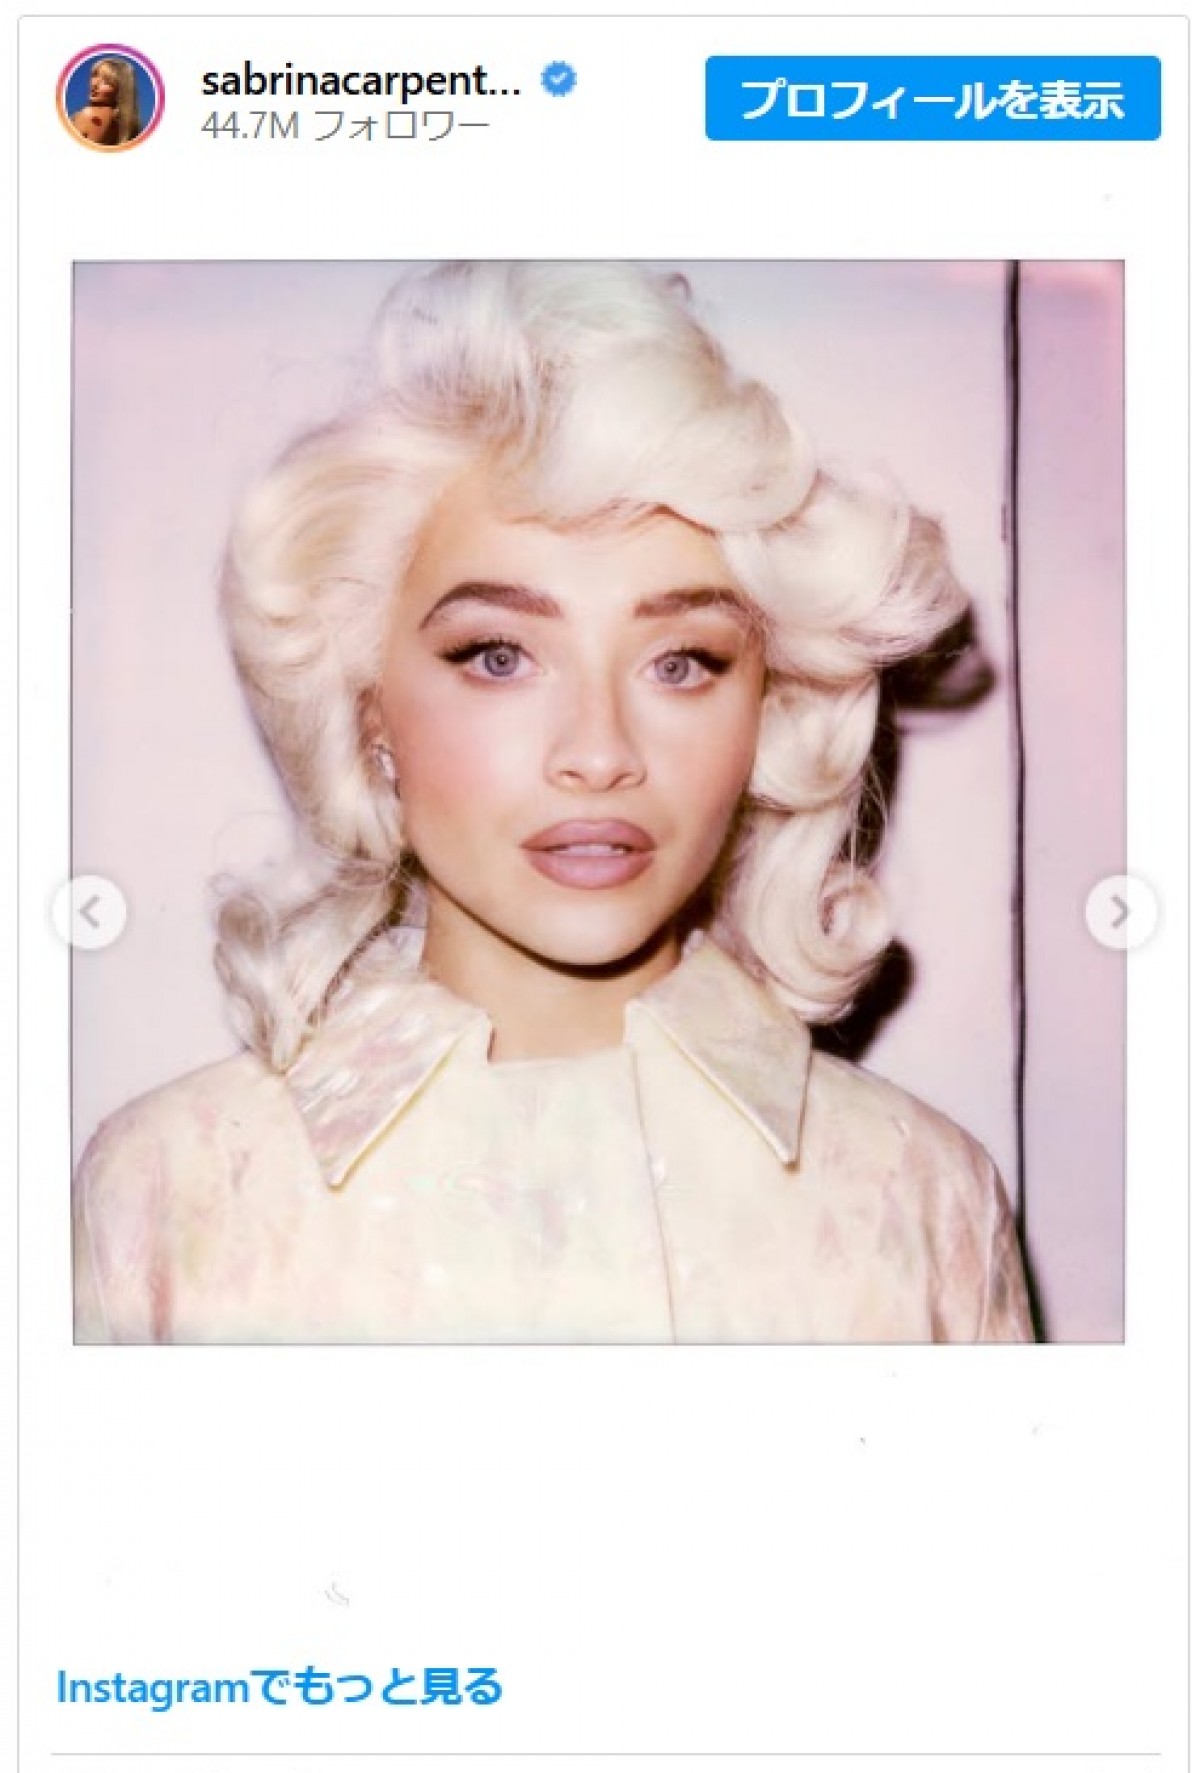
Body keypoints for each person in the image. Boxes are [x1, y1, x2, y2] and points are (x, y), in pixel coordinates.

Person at [73, 261, 1033, 1344]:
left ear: (767, 711)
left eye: (682, 662)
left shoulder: (922, 1198)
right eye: (499, 656)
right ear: (371, 708)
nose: (599, 753)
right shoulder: (171, 1193)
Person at [72, 58, 141, 147]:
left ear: (121, 91)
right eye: (95, 75)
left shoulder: (90, 114)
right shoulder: (121, 124)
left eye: (106, 82)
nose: (94, 84)